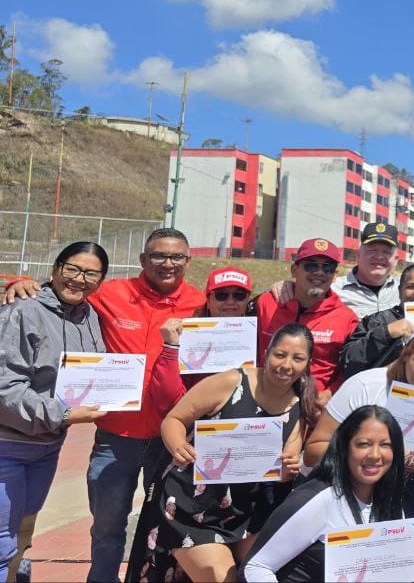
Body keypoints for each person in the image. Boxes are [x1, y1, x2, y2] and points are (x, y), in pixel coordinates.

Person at [5, 227, 206, 583]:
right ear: (143, 259)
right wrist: (20, 281)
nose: (167, 263)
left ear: (188, 262)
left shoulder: (199, 303)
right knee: (108, 528)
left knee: (168, 524)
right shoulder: (110, 294)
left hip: (171, 437)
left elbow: (238, 313)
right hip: (116, 438)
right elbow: (64, 290)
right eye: (158, 256)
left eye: (176, 257)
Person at [129, 324, 317, 583]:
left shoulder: (301, 405)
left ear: (307, 363)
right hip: (187, 503)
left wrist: (287, 470)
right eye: (280, 354)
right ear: (267, 353)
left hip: (244, 511)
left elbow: (283, 471)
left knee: (276, 571)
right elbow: (174, 419)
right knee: (221, 577)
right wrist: (177, 446)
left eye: (298, 358)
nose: (286, 365)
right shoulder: (231, 381)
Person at [0, 242, 110, 580]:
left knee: (23, 533)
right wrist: (61, 414)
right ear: (54, 269)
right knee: (2, 541)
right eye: (72, 269)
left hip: (48, 448)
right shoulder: (22, 310)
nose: (79, 279)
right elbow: (5, 388)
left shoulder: (90, 316)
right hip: (7, 446)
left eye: (91, 273)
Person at [241, 406, 405, 582]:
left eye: (385, 445)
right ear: (344, 447)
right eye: (363, 444)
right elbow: (255, 567)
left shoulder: (392, 505)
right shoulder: (318, 499)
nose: (375, 454)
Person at [307, 329, 414, 515]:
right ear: (404, 358)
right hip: (335, 491)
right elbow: (313, 451)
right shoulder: (366, 386)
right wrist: (363, 457)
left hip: (392, 502)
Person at [255, 238, 359, 396]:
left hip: (313, 406)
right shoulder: (267, 303)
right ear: (294, 270)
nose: (319, 272)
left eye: (328, 268)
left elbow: (351, 368)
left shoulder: (346, 319)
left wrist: (331, 393)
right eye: (311, 265)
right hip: (264, 398)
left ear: (335, 275)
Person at [149, 267, 254, 415]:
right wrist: (170, 347)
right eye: (221, 295)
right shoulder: (188, 337)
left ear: (247, 301)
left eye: (239, 295)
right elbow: (166, 401)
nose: (230, 301)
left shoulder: (257, 336)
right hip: (200, 428)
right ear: (209, 301)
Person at [266, 222, 401, 320]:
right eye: (372, 250)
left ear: (396, 259)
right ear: (358, 255)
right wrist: (287, 286)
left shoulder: (406, 291)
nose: (379, 257)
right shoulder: (331, 289)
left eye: (386, 252)